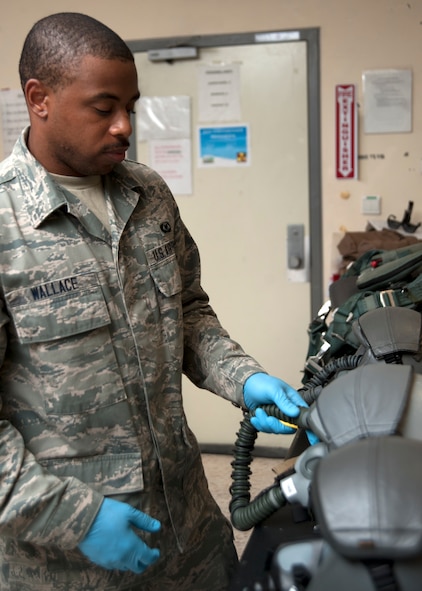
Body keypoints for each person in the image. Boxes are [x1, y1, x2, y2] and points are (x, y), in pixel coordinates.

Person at [0, 12, 307, 591]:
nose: (124, 127)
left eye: (132, 107)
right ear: (39, 98)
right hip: (66, 558)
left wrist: (242, 379)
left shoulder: (148, 194)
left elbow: (187, 312)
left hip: (189, 527)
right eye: (103, 107)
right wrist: (75, 518)